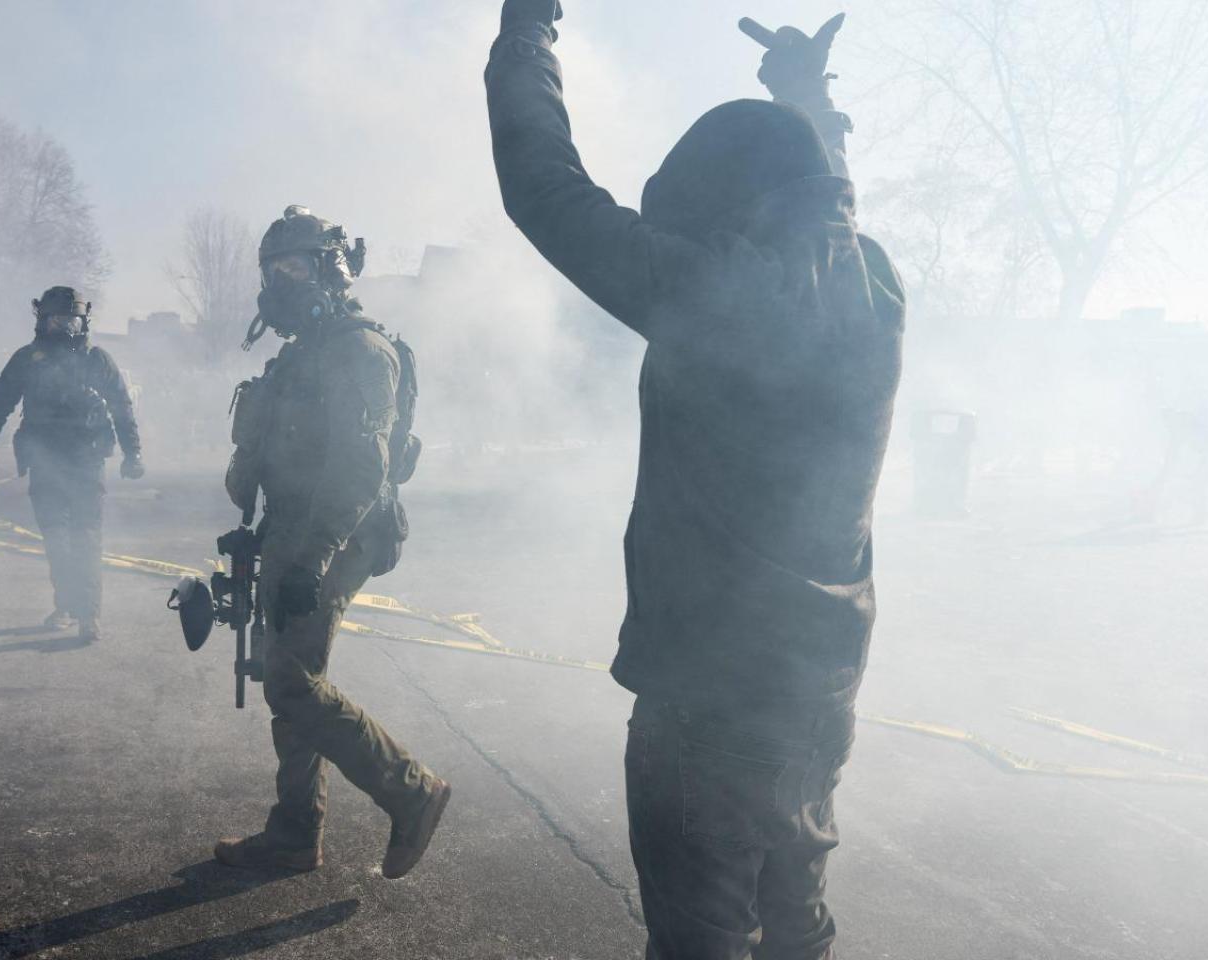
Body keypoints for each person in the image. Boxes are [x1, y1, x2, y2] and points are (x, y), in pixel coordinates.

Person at [487, 6, 905, 959]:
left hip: (713, 699)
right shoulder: (870, 284)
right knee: (797, 926)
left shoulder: (724, 296)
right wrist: (805, 97)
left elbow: (544, 188)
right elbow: (825, 193)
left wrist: (526, 35)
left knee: (702, 940)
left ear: (724, 210)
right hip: (821, 688)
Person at [212, 206, 449, 880]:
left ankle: (412, 791)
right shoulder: (300, 355)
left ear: (328, 268)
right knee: (288, 677)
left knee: (290, 682)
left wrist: (311, 559)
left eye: (290, 267)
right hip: (293, 527)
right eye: (271, 271)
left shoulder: (360, 351)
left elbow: (360, 470)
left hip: (343, 531)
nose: (277, 284)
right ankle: (292, 834)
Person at [0, 286, 144, 642]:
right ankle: (67, 604)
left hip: (87, 460)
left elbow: (121, 407)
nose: (65, 327)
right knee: (55, 537)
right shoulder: (26, 360)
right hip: (44, 460)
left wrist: (133, 453)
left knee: (85, 536)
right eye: (57, 320)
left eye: (72, 320)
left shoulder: (97, 361)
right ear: (43, 321)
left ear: (83, 321)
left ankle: (89, 614)